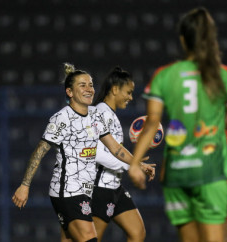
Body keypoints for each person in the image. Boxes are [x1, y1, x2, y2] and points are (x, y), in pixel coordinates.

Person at [128, 7, 227, 242]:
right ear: (211, 38)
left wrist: (135, 163)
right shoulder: (224, 75)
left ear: (182, 39)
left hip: (179, 173)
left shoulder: (164, 75)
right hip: (213, 173)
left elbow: (151, 125)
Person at [12, 63, 154, 242]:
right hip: (67, 191)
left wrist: (138, 163)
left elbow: (115, 148)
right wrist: (25, 185)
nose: (89, 89)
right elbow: (40, 151)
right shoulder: (62, 119)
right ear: (69, 92)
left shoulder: (95, 116)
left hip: (85, 192)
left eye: (91, 84)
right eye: (82, 85)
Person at [91, 66, 148, 242]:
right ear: (115, 89)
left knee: (137, 232)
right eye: (128, 92)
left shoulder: (110, 115)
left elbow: (117, 150)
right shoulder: (100, 112)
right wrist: (131, 166)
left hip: (114, 186)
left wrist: (138, 164)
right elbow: (97, 154)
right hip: (99, 188)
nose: (131, 97)